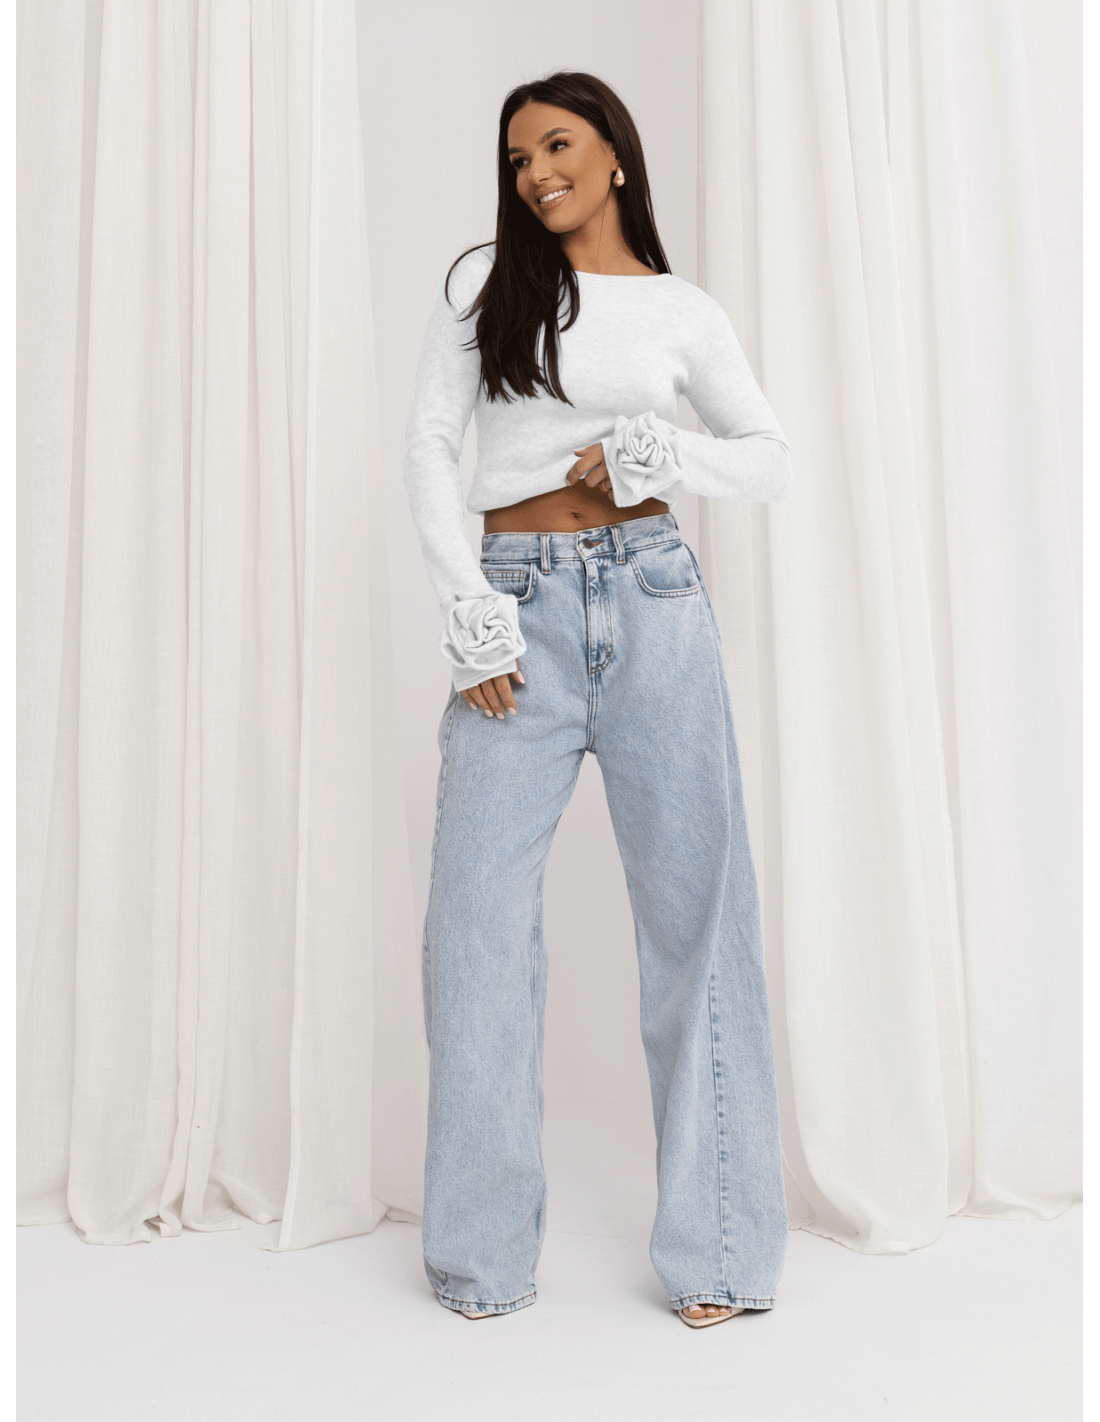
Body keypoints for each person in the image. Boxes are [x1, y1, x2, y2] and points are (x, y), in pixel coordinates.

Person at [402, 70, 792, 1329]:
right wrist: (468, 609)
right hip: (514, 608)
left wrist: (659, 451)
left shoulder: (680, 309)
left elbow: (767, 456)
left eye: (556, 145)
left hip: (654, 598)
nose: (535, 174)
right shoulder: (486, 284)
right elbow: (429, 444)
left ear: (613, 152)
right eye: (517, 159)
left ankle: (720, 1252)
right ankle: (479, 1257)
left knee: (696, 923)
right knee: (474, 931)